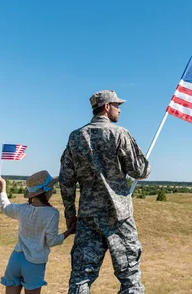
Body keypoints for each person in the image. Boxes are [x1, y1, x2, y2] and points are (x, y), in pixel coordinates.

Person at [59, 89, 152, 294]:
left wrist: (70, 214)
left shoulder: (75, 137)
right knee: (130, 279)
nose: (119, 110)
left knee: (80, 278)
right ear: (107, 107)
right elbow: (140, 170)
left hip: (87, 217)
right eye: (117, 106)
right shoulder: (120, 134)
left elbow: (66, 180)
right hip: (119, 217)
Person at [0, 171, 76, 294]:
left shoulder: (21, 209)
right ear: (47, 191)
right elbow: (52, 241)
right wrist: (69, 232)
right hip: (34, 262)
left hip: (16, 258)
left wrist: (3, 187)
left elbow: (5, 207)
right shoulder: (52, 213)